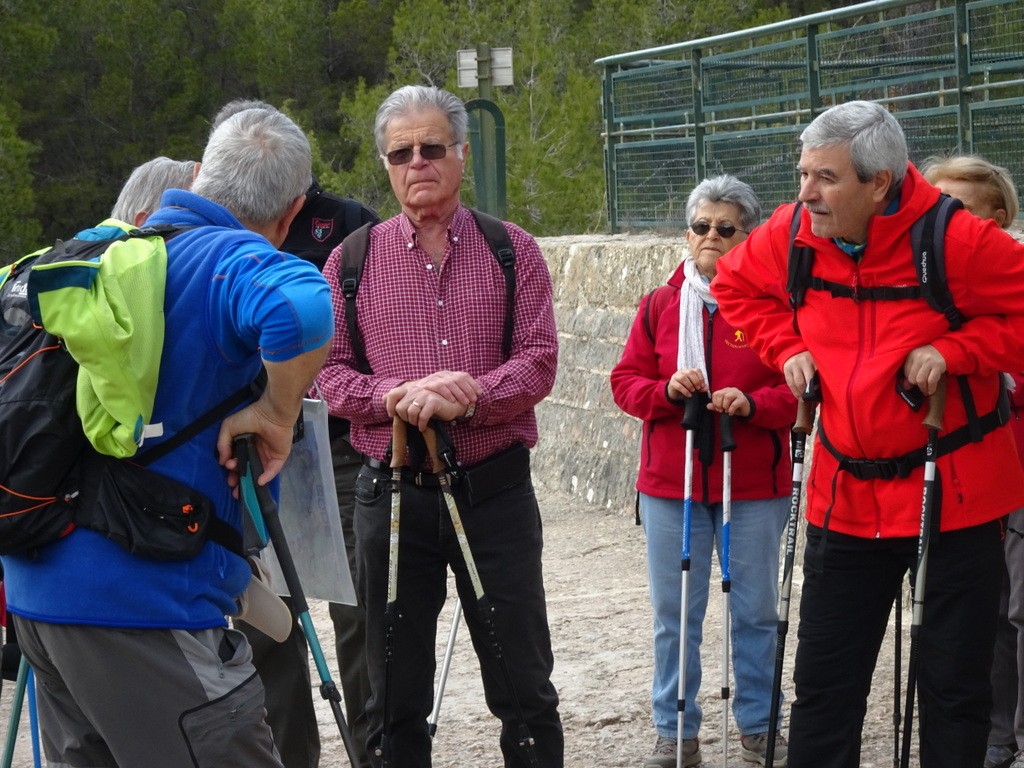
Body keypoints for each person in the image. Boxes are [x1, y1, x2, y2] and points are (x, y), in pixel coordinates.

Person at [0, 107, 334, 767]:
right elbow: (302, 307)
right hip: (145, 607)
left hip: (38, 599)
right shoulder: (227, 256)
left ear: (203, 173)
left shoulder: (94, 250)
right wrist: (276, 411)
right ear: (292, 212)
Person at [712, 100, 1024, 768]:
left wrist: (962, 349)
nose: (805, 194)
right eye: (802, 173)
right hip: (842, 497)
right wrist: (783, 343)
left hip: (953, 497)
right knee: (822, 691)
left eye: (823, 178)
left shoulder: (957, 240)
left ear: (878, 182)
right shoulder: (793, 232)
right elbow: (733, 286)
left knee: (953, 691)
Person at [316, 84, 563, 768]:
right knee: (391, 695)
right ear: (386, 163)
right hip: (392, 497)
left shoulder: (512, 250)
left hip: (495, 495)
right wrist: (395, 394)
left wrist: (471, 398)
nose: (417, 162)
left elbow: (540, 362)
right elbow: (329, 377)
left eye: (432, 148)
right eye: (401, 152)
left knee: (523, 684)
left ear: (461, 153)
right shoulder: (351, 262)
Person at [209, 98, 379, 768]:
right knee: (268, 626)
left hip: (335, 446)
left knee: (360, 614)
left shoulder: (347, 224)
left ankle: (374, 751)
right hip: (251, 455)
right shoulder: (211, 235)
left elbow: (373, 335)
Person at [610, 175, 796, 768]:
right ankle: (675, 729)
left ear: (749, 236)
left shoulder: (774, 306)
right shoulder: (660, 304)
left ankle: (760, 726)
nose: (710, 237)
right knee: (675, 614)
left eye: (725, 228)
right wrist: (666, 390)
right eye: (700, 226)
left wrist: (754, 403)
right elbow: (625, 382)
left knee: (756, 612)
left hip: (752, 483)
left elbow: (801, 389)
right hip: (674, 484)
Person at [921, 155, 1024, 768]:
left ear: (999, 216)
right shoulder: (929, 285)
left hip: (1012, 457)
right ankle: (993, 732)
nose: (941, 220)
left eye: (956, 208)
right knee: (979, 609)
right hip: (964, 470)